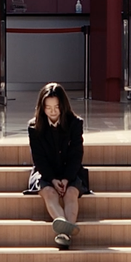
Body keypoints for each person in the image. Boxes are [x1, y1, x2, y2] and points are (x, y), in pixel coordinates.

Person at [22, 82, 91, 250]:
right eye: (48, 107)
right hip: (45, 172)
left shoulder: (75, 123)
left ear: (63, 106)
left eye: (56, 107)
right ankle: (66, 227)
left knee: (71, 194)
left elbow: (76, 155)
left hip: (70, 170)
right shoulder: (34, 126)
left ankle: (64, 233)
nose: (52, 111)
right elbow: (38, 158)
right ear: (42, 107)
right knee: (49, 193)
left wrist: (67, 178)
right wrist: (52, 179)